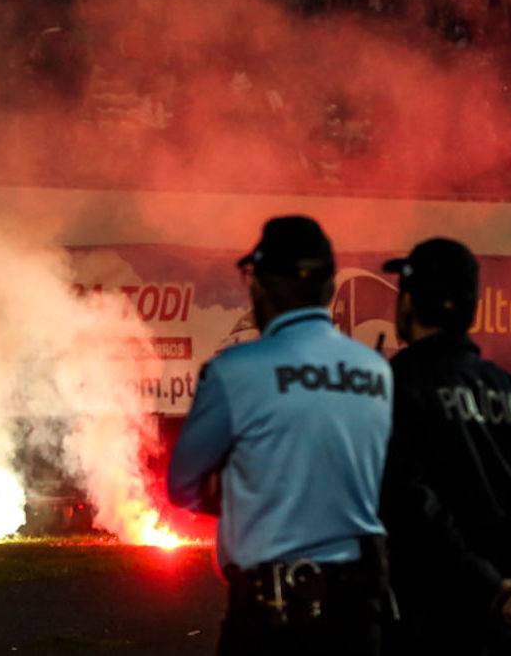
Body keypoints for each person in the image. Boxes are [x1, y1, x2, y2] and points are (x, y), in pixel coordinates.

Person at [168, 216, 395, 656]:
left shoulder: (234, 371)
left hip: (271, 614)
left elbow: (183, 487)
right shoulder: (376, 371)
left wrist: (247, 491)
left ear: (259, 288)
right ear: (330, 289)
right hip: (359, 611)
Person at [379, 238, 511, 656]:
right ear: (472, 307)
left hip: (429, 624)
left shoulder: (395, 387)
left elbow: (409, 505)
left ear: (409, 302)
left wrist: (490, 588)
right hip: (510, 628)